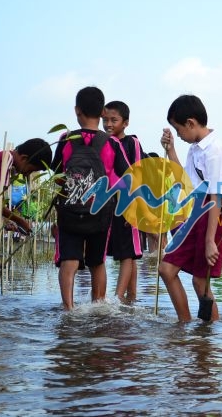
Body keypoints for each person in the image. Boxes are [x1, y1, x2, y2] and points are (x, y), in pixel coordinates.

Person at [50, 86, 128, 310]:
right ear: (102, 112)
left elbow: (56, 175)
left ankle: (68, 310)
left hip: (69, 210)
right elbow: (127, 175)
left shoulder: (66, 138)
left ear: (77, 111)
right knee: (97, 262)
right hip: (100, 211)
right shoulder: (113, 143)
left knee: (69, 261)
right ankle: (99, 308)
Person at [158, 94, 222, 322]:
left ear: (191, 123)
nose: (179, 134)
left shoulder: (216, 151)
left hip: (213, 219)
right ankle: (185, 327)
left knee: (200, 282)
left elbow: (216, 197)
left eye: (179, 129)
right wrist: (171, 150)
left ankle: (209, 334)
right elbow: (187, 184)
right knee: (166, 270)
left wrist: (210, 240)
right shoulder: (195, 148)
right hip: (196, 216)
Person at [102, 100, 145, 303]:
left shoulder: (132, 143)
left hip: (128, 204)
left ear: (125, 123)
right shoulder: (103, 142)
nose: (108, 124)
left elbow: (137, 173)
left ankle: (118, 298)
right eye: (105, 120)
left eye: (113, 120)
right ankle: (131, 297)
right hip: (109, 205)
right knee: (126, 254)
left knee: (128, 254)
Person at [0, 138, 53, 234]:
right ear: (23, 158)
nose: (27, 175)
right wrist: (20, 220)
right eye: (30, 170)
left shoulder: (4, 156)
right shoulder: (6, 159)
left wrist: (6, 221)